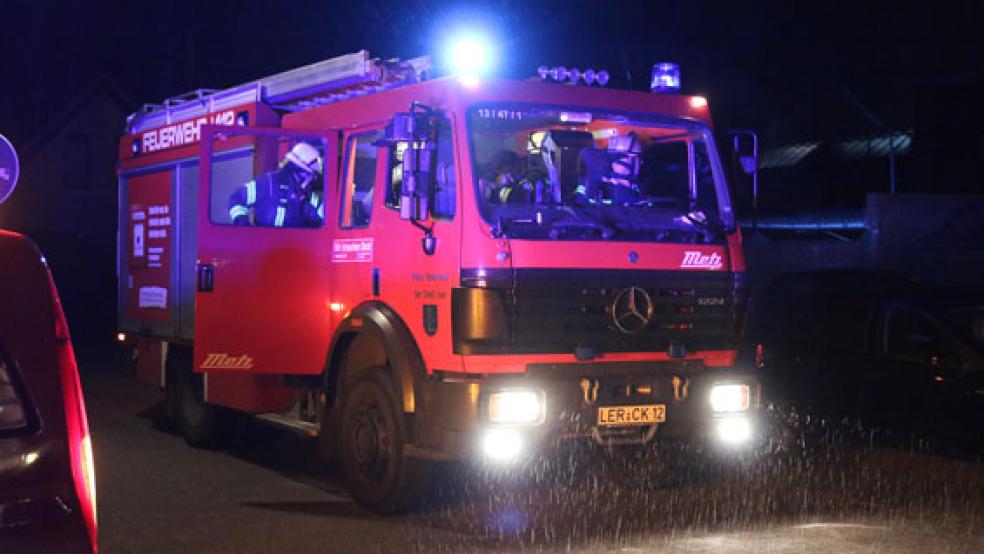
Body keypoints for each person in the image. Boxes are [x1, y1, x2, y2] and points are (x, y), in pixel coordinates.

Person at [228, 142, 324, 227]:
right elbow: (237, 199)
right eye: (308, 174)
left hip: (289, 245)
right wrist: (243, 225)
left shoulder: (306, 194)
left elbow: (320, 213)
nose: (310, 178)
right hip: (261, 243)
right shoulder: (268, 182)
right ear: (296, 169)